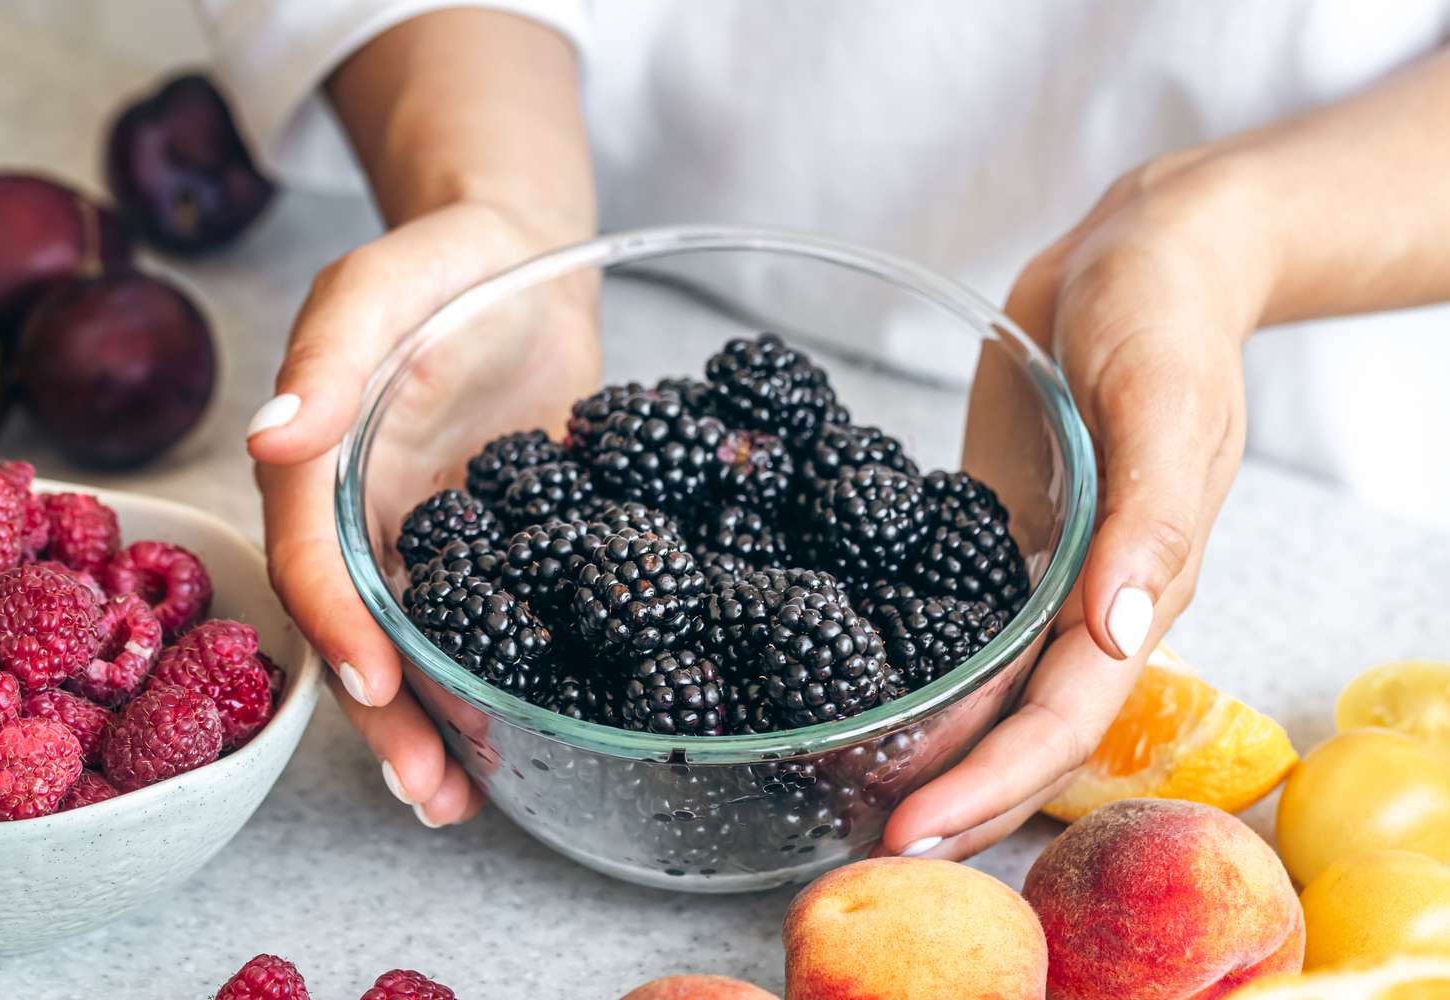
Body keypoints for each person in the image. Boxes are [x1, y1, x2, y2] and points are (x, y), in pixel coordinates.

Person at [205, 1, 1450, 850]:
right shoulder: (675, 543)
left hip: (1328, 360)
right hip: (606, 171)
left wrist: (1216, 234)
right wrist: (496, 205)